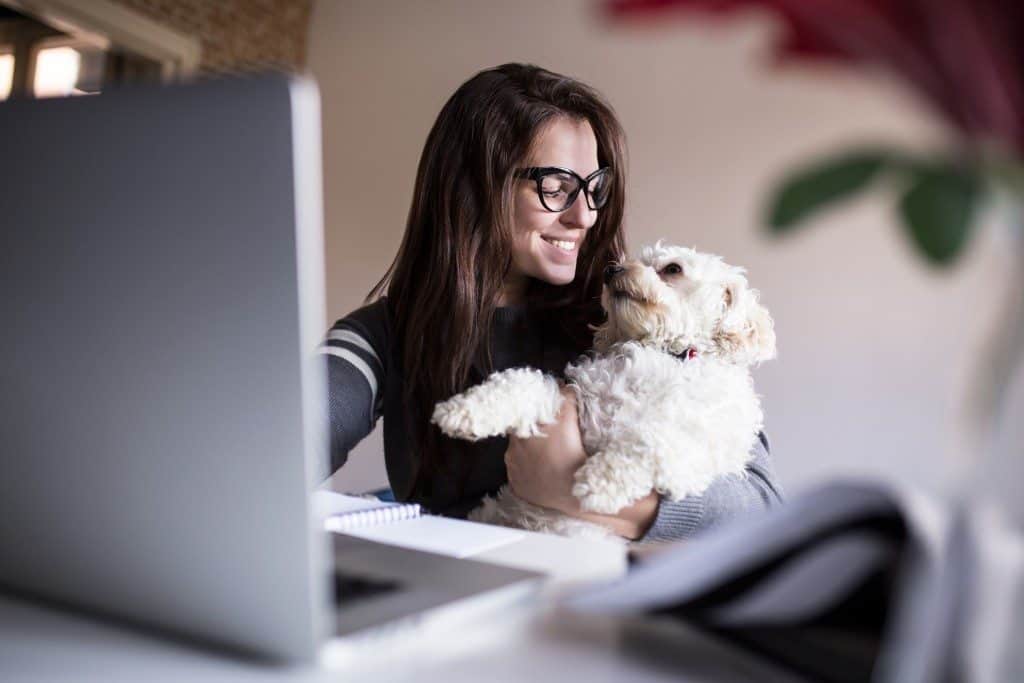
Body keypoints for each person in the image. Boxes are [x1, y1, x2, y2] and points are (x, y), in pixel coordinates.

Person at [321, 63, 782, 542]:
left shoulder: (627, 318)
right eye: (555, 187)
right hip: (459, 598)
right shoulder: (384, 335)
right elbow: (281, 444)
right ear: (476, 189)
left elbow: (763, 504)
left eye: (593, 188)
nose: (584, 215)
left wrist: (574, 490)